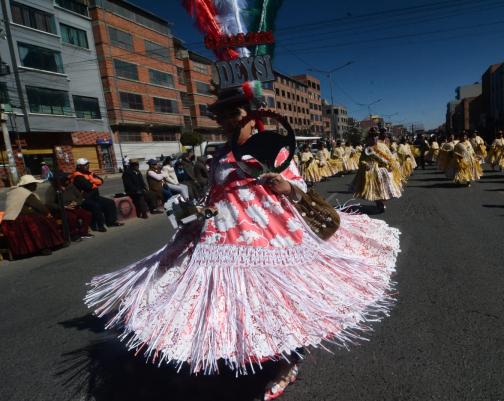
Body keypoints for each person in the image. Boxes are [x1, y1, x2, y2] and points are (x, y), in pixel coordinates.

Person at [85, 83, 400, 401]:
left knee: (281, 304)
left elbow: (299, 189)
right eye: (221, 115)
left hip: (272, 235)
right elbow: (214, 194)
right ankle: (241, 350)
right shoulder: (220, 155)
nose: (226, 121)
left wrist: (285, 187)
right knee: (226, 299)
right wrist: (199, 212)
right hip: (222, 235)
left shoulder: (275, 148)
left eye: (232, 113)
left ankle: (289, 361)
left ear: (254, 115)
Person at [1, 175, 64, 257]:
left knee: (38, 218)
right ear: (28, 185)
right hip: (19, 219)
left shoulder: (14, 191)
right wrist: (47, 213)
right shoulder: (25, 193)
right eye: (34, 184)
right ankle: (44, 246)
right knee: (42, 222)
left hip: (9, 221)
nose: (36, 186)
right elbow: (39, 206)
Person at [354, 129, 403, 212]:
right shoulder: (367, 149)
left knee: (384, 188)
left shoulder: (383, 146)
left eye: (375, 136)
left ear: (378, 137)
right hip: (372, 171)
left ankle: (381, 201)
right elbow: (362, 160)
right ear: (369, 138)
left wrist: (391, 164)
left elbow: (389, 156)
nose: (374, 138)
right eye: (372, 137)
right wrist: (365, 164)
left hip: (384, 170)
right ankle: (379, 203)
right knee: (375, 188)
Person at [71, 158, 123, 232]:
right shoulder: (78, 176)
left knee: (110, 203)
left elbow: (101, 181)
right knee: (96, 206)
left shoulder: (89, 173)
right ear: (79, 166)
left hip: (94, 196)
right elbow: (88, 186)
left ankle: (111, 222)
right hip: (84, 198)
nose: (87, 166)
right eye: (85, 165)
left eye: (87, 164)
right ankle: (100, 226)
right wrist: (94, 181)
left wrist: (91, 181)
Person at [45, 172, 93, 241]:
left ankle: (83, 233)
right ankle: (73, 234)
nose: (68, 181)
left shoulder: (71, 186)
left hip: (74, 207)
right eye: (66, 179)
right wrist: (64, 207)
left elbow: (80, 197)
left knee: (87, 214)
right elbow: (49, 203)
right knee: (72, 218)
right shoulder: (53, 189)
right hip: (62, 209)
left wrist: (75, 202)